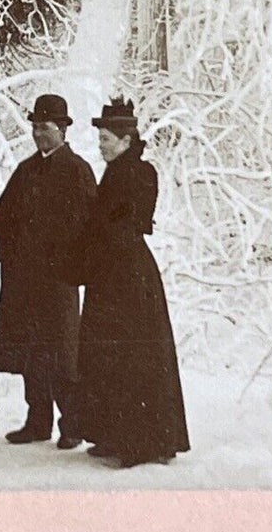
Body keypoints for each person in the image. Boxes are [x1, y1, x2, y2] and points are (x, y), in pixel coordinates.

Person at [71, 98, 190, 469]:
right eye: (100, 138)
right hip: (111, 274)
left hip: (129, 277)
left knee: (131, 356)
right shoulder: (117, 169)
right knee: (107, 353)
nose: (101, 144)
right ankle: (111, 434)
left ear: (125, 140)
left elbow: (132, 221)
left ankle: (140, 442)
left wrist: (95, 233)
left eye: (106, 138)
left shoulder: (139, 172)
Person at [0, 93, 97, 447]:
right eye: (35, 127)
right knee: (32, 351)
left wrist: (68, 260)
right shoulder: (26, 170)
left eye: (45, 127)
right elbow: (1, 218)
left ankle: (73, 425)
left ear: (63, 130)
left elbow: (89, 227)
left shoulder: (78, 170)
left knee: (64, 354)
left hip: (60, 279)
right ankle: (37, 422)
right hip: (26, 278)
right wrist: (12, 254)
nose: (38, 134)